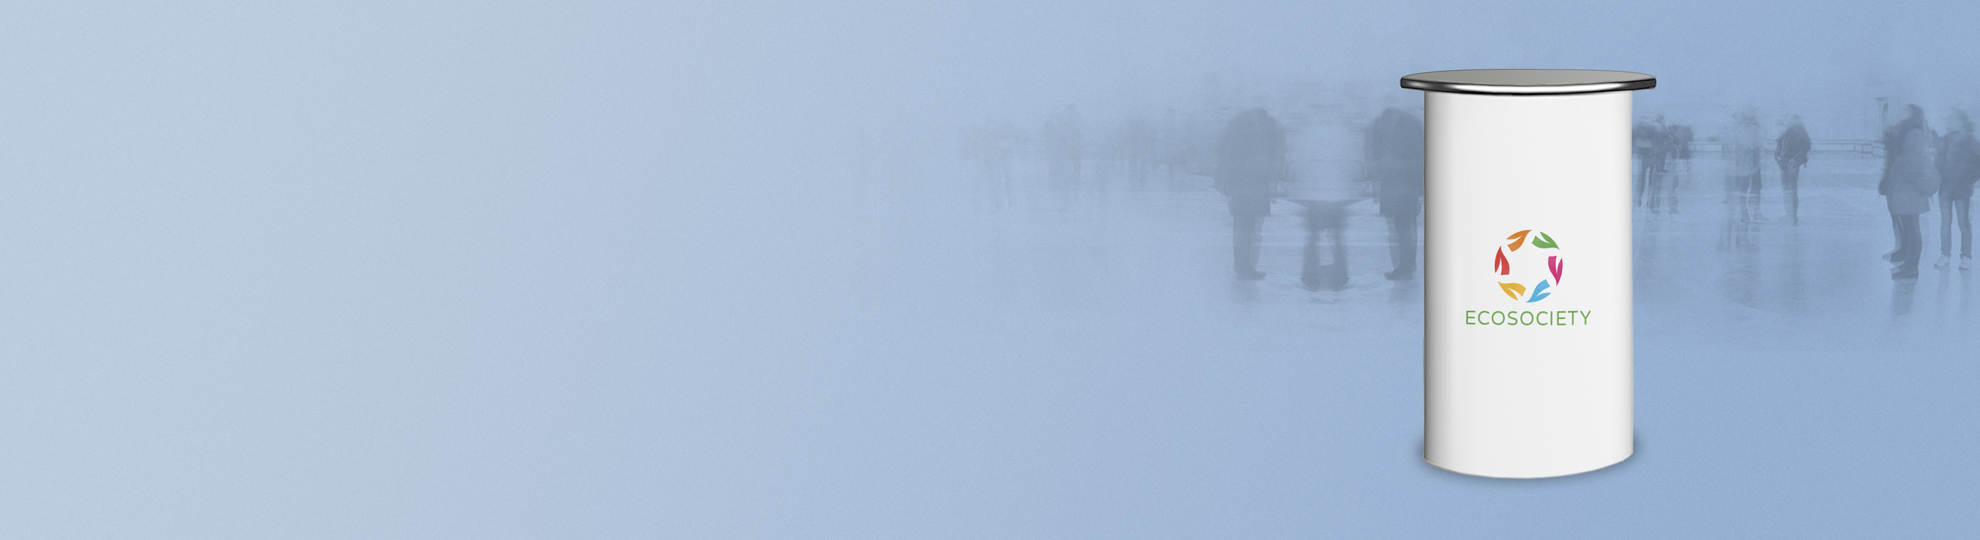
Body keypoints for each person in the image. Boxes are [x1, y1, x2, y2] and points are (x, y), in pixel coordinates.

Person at [1215, 108, 1286, 280]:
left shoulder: (1236, 124)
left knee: (1243, 225)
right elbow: (1272, 154)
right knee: (1247, 226)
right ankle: (1244, 266)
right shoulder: (1260, 126)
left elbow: (1220, 150)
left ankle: (1242, 264)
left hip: (1240, 184)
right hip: (1249, 184)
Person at [1880, 104, 1940, 279]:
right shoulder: (1905, 131)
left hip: (1910, 189)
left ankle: (1912, 267)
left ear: (1912, 115)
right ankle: (1908, 262)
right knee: (1908, 226)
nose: (1900, 113)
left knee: (1913, 228)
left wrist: (1900, 168)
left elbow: (1916, 162)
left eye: (1903, 111)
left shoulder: (1914, 133)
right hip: (1904, 188)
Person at [1365, 107, 1426, 280]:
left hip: (1404, 186)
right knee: (1403, 227)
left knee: (1403, 227)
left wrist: (1395, 164)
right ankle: (1405, 265)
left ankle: (1405, 267)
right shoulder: (1406, 125)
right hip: (1400, 186)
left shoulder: (1409, 128)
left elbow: (1417, 159)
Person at [1935, 110, 1980, 270]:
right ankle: (1945, 254)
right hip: (1945, 188)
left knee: (1963, 223)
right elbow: (1938, 161)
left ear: (1961, 122)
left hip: (1961, 190)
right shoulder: (1945, 139)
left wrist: (1968, 179)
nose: (1948, 122)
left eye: (1952, 119)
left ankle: (1966, 256)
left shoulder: (1970, 141)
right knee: (1945, 223)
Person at [1775, 116, 1811, 224]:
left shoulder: (1798, 131)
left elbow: (1805, 148)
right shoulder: (1789, 131)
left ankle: (1792, 215)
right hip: (1785, 163)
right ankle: (1790, 215)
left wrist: (1795, 161)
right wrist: (1777, 155)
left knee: (1790, 190)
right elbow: (1779, 145)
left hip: (1790, 164)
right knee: (1788, 190)